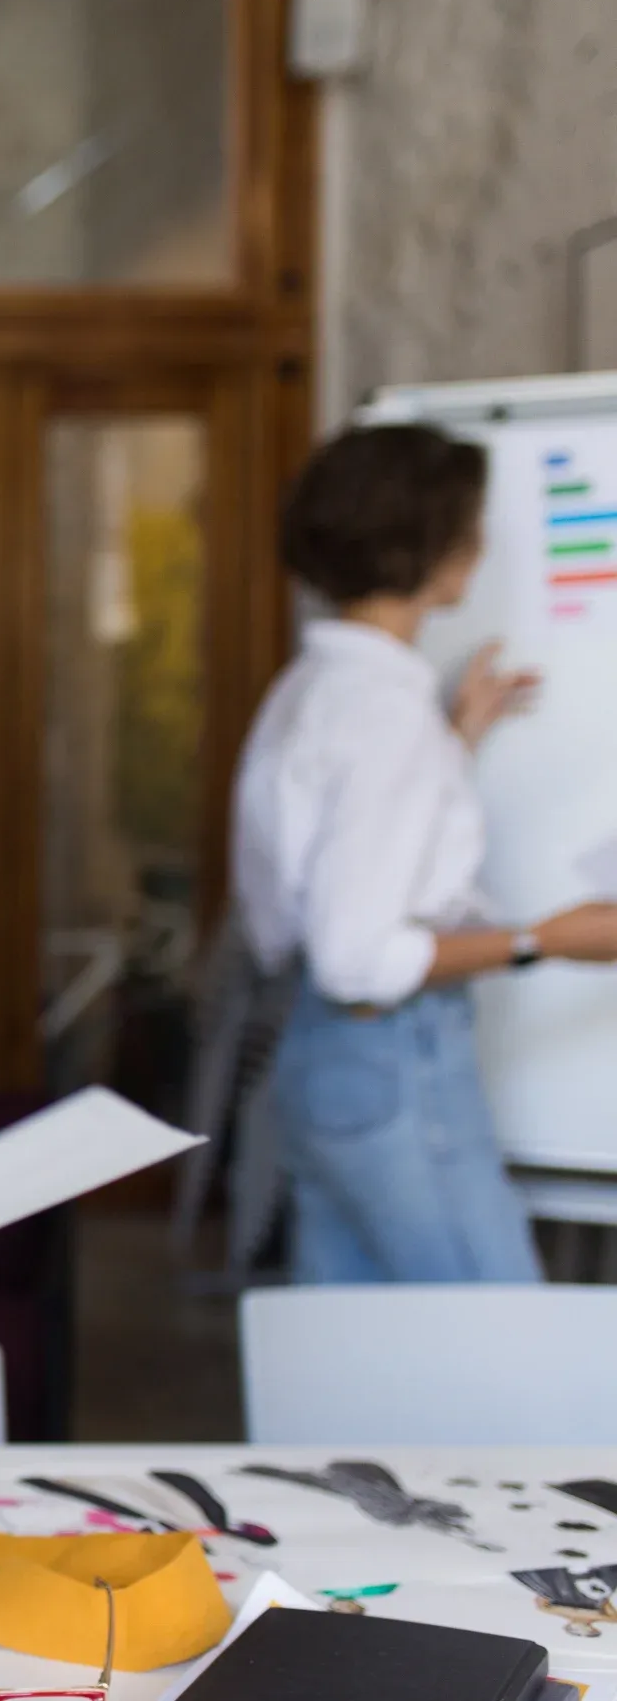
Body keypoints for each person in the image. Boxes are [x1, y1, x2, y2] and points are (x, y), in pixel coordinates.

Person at [233, 423, 617, 1284]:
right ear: (430, 544)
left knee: (360, 1363)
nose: (482, 545)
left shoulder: (313, 690)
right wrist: (544, 939)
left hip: (322, 1060)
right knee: (503, 1356)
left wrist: (455, 740)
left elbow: (333, 859)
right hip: (390, 1062)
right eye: (471, 524)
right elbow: (358, 958)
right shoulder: (384, 721)